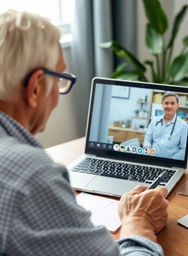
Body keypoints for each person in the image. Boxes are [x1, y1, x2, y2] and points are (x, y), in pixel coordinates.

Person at [0, 10, 169, 256]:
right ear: (35, 88)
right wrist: (138, 221)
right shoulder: (30, 175)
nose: (58, 95)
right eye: (60, 79)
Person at [144, 91, 188, 160]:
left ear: (177, 106)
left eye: (172, 103)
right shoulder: (154, 121)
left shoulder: (184, 126)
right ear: (162, 105)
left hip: (170, 163)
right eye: (166, 103)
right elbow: (147, 139)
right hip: (151, 160)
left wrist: (171, 160)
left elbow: (184, 149)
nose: (169, 106)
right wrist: (147, 152)